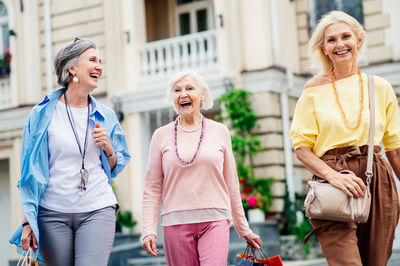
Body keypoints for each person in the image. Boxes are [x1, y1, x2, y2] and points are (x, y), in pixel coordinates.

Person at [290, 10, 400, 266]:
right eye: (331, 40)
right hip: (330, 183)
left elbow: (394, 148)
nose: (340, 44)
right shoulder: (313, 90)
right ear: (324, 48)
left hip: (377, 180)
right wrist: (334, 177)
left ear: (358, 41)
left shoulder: (380, 87)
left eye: (346, 36)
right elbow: (302, 147)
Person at [9, 38, 131, 265]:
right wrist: (28, 222)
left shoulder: (106, 115)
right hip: (52, 212)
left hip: (97, 207)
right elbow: (29, 174)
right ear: (72, 68)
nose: (99, 66)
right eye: (92, 60)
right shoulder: (42, 114)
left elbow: (114, 167)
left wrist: (109, 149)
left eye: (100, 61)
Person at [141, 70, 262, 265]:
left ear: (202, 95)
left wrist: (243, 228)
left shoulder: (220, 131)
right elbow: (152, 188)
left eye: (190, 88)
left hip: (215, 220)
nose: (183, 94)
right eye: (177, 90)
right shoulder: (160, 136)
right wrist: (148, 230)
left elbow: (231, 182)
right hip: (175, 223)